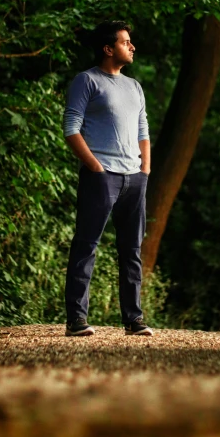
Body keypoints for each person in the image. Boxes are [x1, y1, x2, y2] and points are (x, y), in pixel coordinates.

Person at [63, 20, 153, 337]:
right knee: (87, 245)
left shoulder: (134, 87)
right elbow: (71, 129)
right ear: (108, 48)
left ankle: (134, 319)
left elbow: (143, 131)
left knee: (131, 251)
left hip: (134, 178)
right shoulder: (87, 81)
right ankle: (76, 320)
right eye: (125, 42)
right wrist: (96, 167)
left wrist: (145, 170)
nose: (132, 46)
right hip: (101, 176)